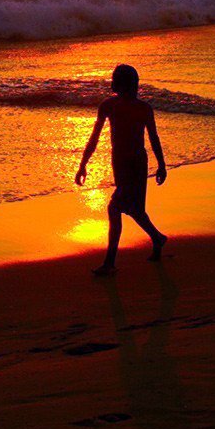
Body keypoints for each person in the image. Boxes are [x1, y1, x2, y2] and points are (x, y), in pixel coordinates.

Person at [74, 64, 168, 275]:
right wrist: (82, 164)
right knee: (134, 209)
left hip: (135, 164)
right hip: (121, 162)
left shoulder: (140, 108)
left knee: (115, 208)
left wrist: (162, 164)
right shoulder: (110, 106)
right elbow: (94, 137)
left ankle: (110, 262)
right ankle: (158, 239)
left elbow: (153, 137)